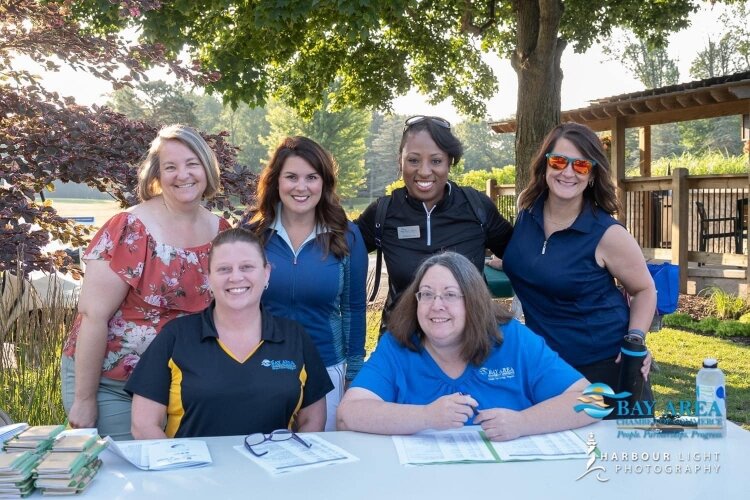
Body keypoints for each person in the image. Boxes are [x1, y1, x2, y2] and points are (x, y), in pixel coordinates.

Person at [61, 124, 231, 440]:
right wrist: (85, 400)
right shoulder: (130, 228)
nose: (183, 174)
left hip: (180, 386)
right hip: (111, 383)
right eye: (171, 167)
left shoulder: (221, 232)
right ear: (157, 176)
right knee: (131, 479)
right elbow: (93, 317)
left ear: (207, 168)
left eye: (192, 163)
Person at [337, 252, 595, 441]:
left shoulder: (512, 339)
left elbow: (593, 401)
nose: (437, 305)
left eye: (450, 294)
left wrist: (522, 422)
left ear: (473, 301)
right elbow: (348, 414)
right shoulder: (398, 345)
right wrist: (426, 417)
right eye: (426, 294)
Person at [126, 228, 332, 438]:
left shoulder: (294, 337)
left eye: (247, 267)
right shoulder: (176, 336)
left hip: (272, 468)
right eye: (224, 269)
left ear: (266, 273)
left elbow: (312, 420)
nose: (236, 277)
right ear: (208, 279)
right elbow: (144, 425)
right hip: (194, 470)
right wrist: (179, 468)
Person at [502, 123, 657, 400]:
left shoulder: (607, 234)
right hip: (548, 366)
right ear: (545, 165)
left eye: (581, 165)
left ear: (593, 174)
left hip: (606, 368)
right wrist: (501, 263)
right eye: (559, 161)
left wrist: (635, 339)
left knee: (609, 445)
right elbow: (539, 262)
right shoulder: (528, 214)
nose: (568, 172)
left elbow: (644, 289)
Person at [245, 136, 367, 431]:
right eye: (291, 177)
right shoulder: (253, 234)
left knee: (322, 467)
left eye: (312, 177)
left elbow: (354, 309)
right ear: (276, 182)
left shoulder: (346, 236)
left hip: (327, 369)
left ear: (324, 183)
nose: (302, 187)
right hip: (262, 366)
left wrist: (354, 373)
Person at [355, 115, 513, 330]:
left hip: (469, 347)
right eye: (413, 160)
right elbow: (333, 249)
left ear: (450, 162)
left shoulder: (477, 208)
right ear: (399, 161)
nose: (424, 171)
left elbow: (523, 257)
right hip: (402, 347)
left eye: (436, 161)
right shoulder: (383, 213)